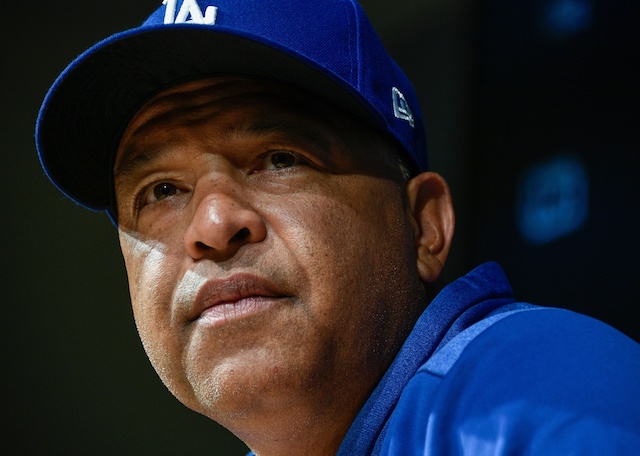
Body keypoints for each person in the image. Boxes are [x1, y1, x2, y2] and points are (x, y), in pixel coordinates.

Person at [36, 0, 640, 454]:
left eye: (280, 159)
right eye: (161, 191)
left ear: (424, 225)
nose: (214, 225)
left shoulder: (534, 392)